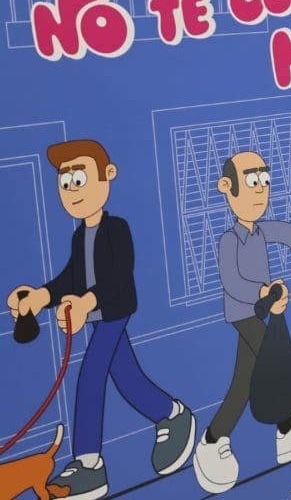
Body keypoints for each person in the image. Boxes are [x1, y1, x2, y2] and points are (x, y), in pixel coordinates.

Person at [7, 140, 196, 499]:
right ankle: (173, 414)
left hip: (115, 311)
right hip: (95, 315)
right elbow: (70, 278)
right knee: (127, 377)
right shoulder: (80, 236)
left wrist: (86, 303)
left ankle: (89, 464)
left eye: (79, 179)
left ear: (107, 175)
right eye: (65, 182)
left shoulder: (117, 229)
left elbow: (119, 276)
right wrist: (40, 297)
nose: (72, 190)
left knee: (92, 374)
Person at [194, 150, 291, 494]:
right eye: (252, 180)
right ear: (228, 187)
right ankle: (284, 428)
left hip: (262, 309)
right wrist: (262, 291)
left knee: (244, 382)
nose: (260, 189)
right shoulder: (229, 240)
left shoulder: (260, 231)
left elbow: (284, 230)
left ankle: (215, 438)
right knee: (274, 363)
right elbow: (232, 281)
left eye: (264, 180)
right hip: (244, 313)